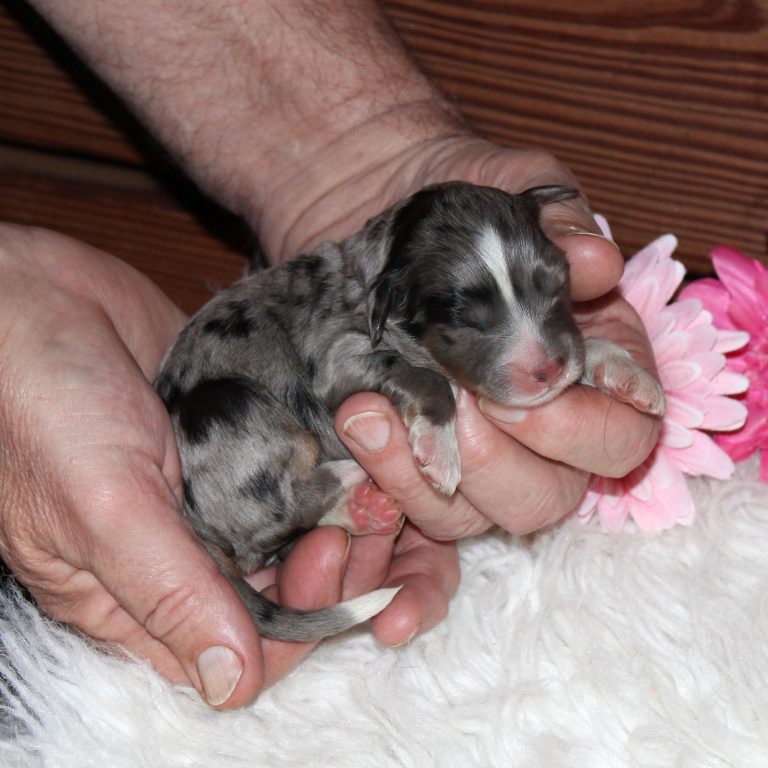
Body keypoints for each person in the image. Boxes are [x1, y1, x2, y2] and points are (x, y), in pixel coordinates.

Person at [0, 0, 661, 708]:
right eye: (472, 314)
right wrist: (426, 407)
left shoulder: (395, 286)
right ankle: (307, 501)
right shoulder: (358, 312)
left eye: (550, 290)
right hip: (229, 450)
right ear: (393, 304)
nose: (541, 351)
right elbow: (348, 365)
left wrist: (590, 357)